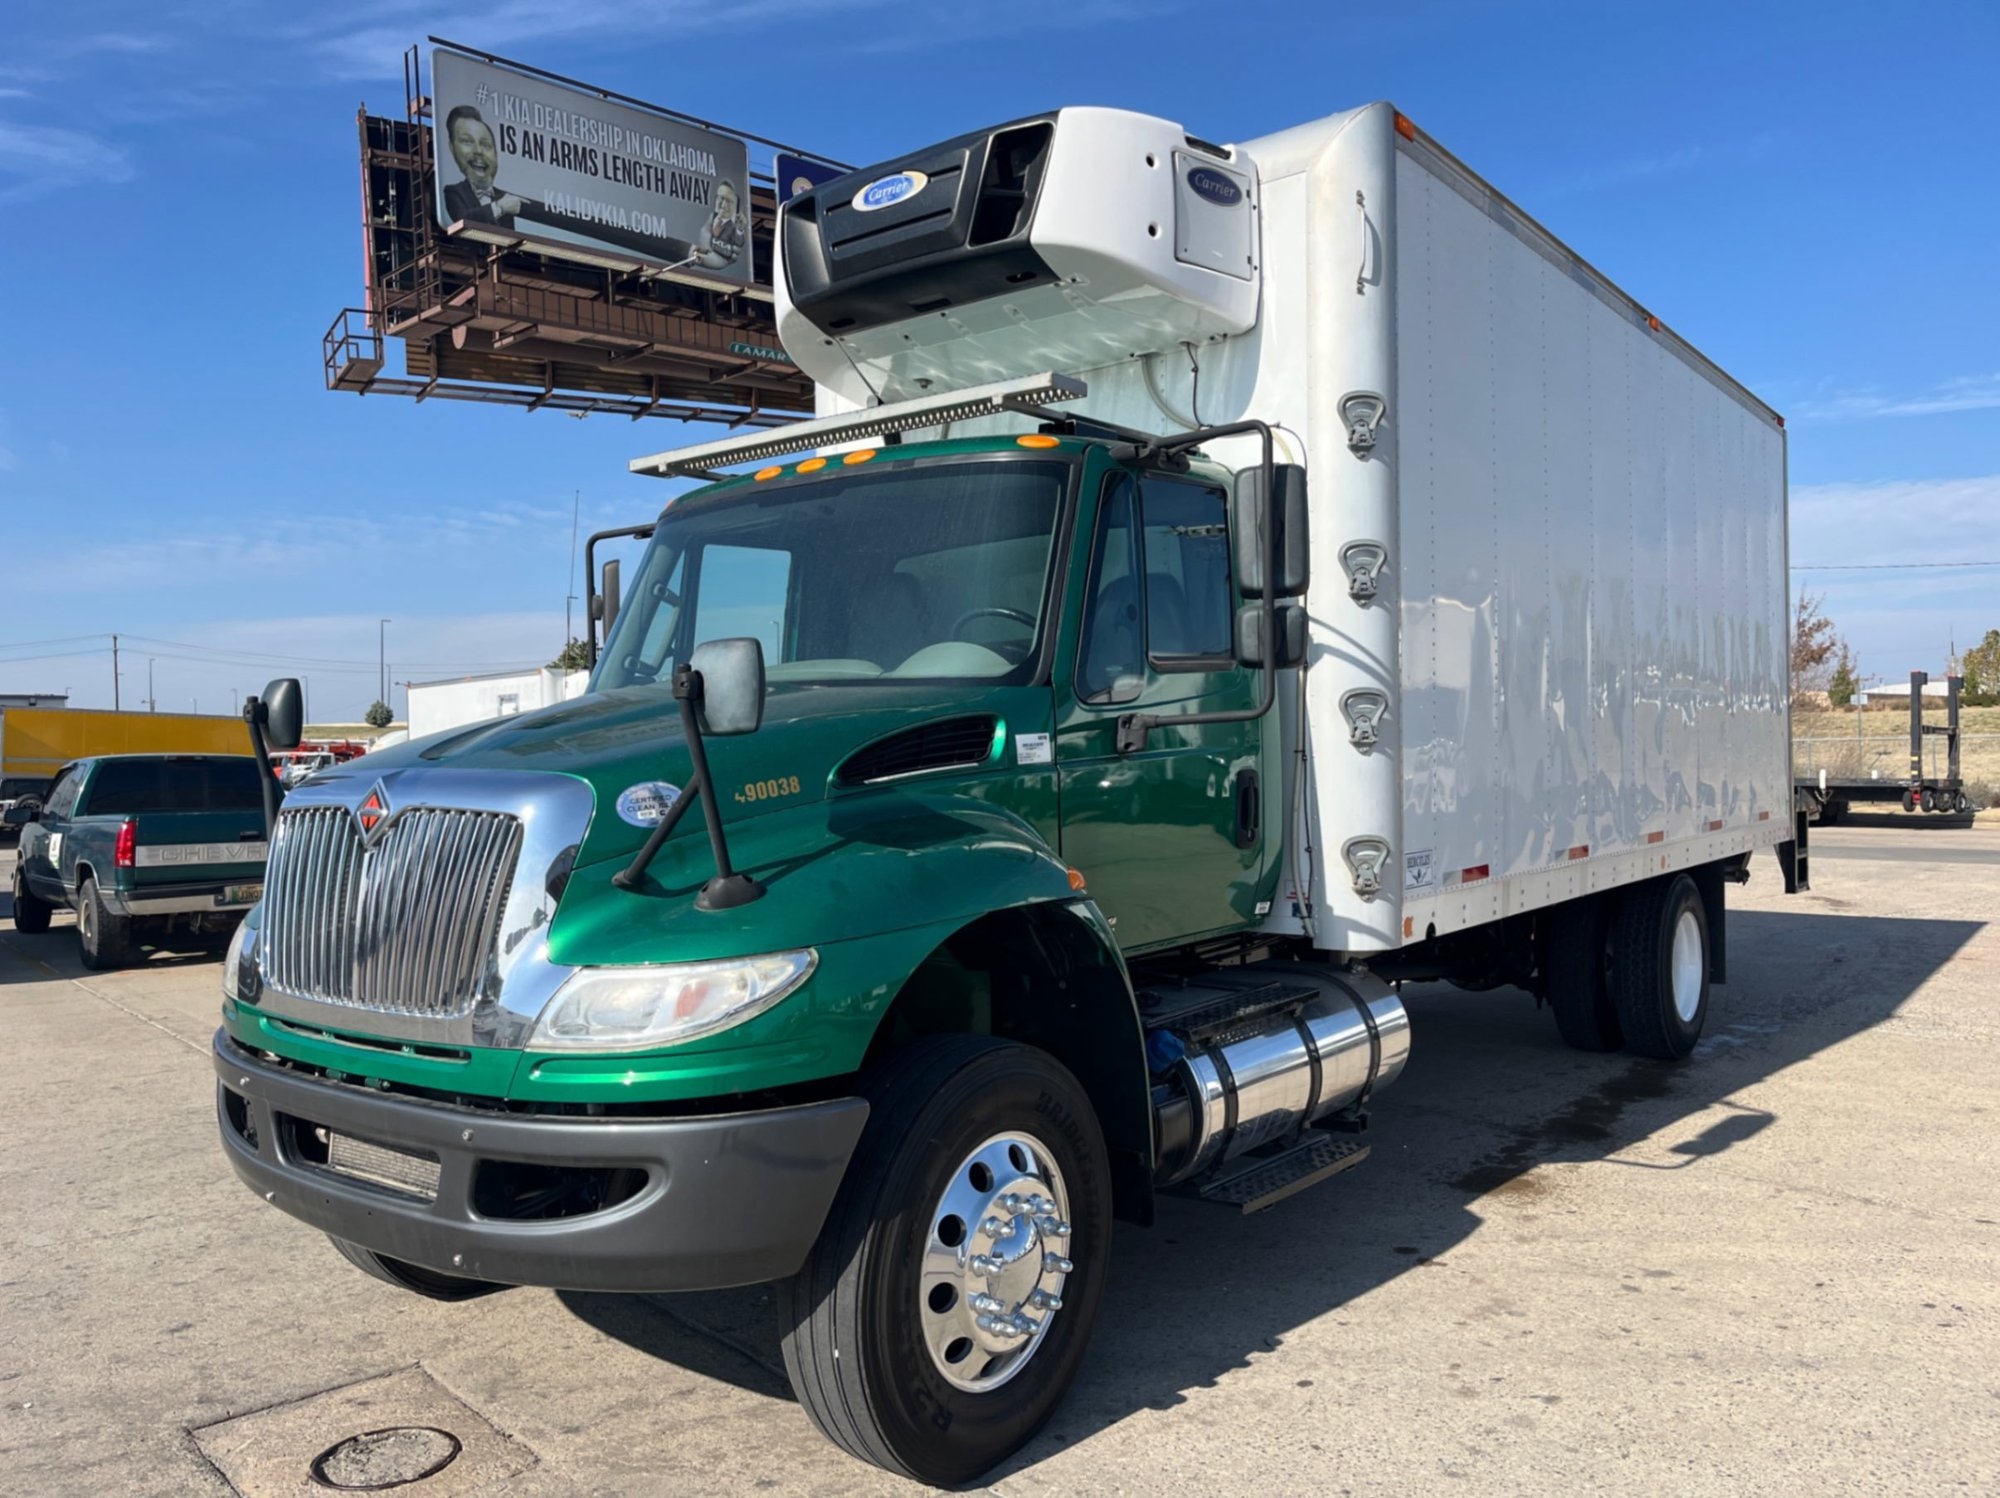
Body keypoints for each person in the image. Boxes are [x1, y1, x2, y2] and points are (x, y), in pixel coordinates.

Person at [440, 105, 524, 226]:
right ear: (452, 148)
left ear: (495, 153)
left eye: (486, 145)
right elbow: (462, 219)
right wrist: (499, 207)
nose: (478, 151)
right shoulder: (454, 192)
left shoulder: (505, 196)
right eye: (467, 141)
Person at [690, 179, 748, 269]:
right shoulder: (710, 217)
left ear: (735, 206)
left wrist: (740, 228)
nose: (723, 204)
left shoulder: (733, 227)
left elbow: (738, 241)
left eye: (728, 201)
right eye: (721, 198)